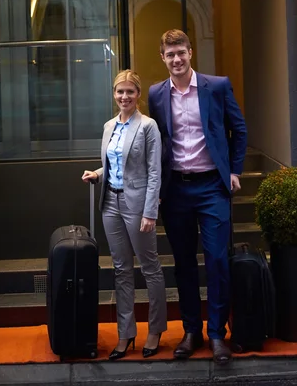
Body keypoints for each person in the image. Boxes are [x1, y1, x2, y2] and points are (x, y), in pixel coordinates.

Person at [148, 29, 247, 365]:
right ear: (162, 58)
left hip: (211, 188)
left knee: (217, 260)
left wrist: (234, 170)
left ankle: (218, 334)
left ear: (191, 53)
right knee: (184, 264)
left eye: (181, 53)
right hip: (176, 190)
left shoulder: (216, 86)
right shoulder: (156, 94)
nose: (176, 59)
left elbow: (239, 128)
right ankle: (192, 331)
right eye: (170, 55)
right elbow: (156, 142)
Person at [82, 69, 167, 361]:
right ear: (114, 94)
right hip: (111, 204)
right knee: (121, 270)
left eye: (130, 91)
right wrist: (97, 172)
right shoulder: (109, 126)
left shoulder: (148, 126)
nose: (124, 96)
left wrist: (150, 211)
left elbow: (154, 172)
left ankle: (155, 330)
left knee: (150, 268)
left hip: (138, 205)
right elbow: (115, 164)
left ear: (138, 95)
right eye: (120, 91)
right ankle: (126, 333)